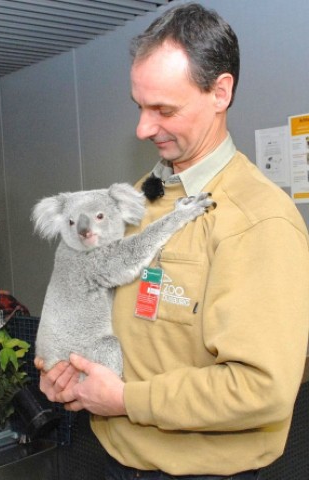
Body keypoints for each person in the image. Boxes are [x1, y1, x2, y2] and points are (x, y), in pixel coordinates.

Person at [35, 3, 309, 479]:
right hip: (113, 456)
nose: (143, 128)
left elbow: (260, 390)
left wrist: (125, 399)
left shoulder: (258, 221)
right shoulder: (142, 198)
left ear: (220, 92)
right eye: (139, 106)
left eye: (163, 109)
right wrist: (70, 370)